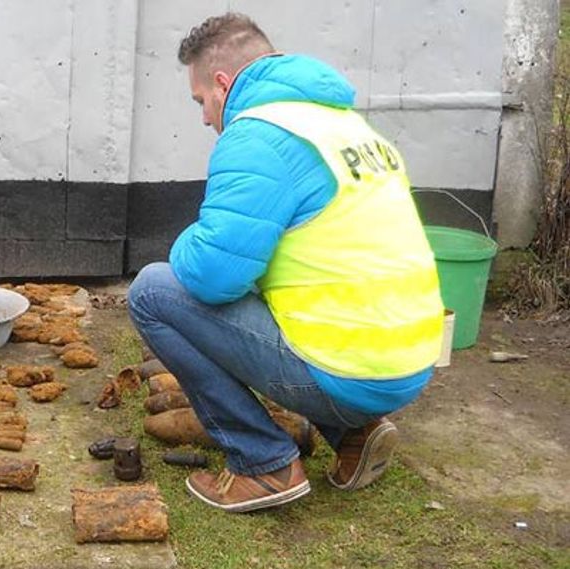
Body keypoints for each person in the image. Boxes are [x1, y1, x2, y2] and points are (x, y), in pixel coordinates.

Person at [128, 13, 444, 513]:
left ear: (222, 83)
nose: (206, 118)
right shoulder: (345, 125)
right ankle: (353, 433)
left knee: (153, 290)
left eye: (202, 102)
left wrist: (190, 237)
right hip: (408, 362)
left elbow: (211, 276)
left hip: (348, 372)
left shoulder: (258, 135)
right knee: (258, 275)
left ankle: (263, 463)